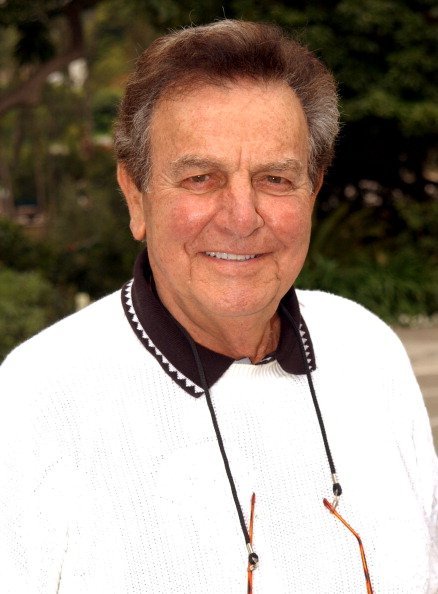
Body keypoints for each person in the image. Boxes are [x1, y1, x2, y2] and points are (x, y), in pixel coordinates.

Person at [0, 20, 436, 594]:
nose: (240, 216)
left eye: (276, 178)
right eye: (200, 178)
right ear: (136, 195)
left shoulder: (367, 350)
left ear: (314, 190)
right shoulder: (36, 401)